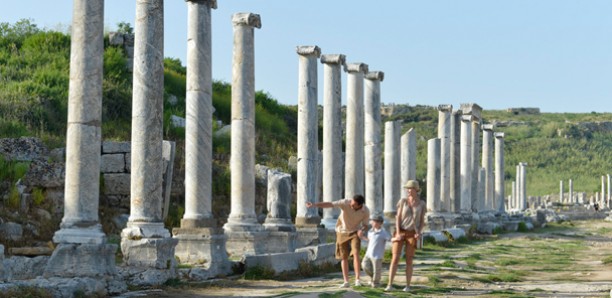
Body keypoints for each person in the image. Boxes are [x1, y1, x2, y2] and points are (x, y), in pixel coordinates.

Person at [306, 194, 370, 288]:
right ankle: (346, 281)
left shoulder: (366, 211)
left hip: (355, 232)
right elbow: (330, 204)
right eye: (351, 204)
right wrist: (314, 205)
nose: (351, 206)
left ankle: (357, 280)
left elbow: (365, 225)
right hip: (342, 231)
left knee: (356, 253)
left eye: (353, 205)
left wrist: (362, 230)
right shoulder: (345, 202)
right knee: (343, 257)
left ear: (360, 205)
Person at [386, 180, 426, 292]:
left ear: (416, 190)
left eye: (410, 188)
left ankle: (408, 286)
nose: (408, 190)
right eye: (407, 188)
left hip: (412, 233)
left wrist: (419, 232)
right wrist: (398, 232)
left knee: (409, 260)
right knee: (395, 258)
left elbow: (422, 221)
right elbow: (397, 218)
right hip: (401, 231)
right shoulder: (403, 201)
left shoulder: (422, 204)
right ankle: (389, 284)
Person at [360, 215, 391, 288]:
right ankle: (373, 278)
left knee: (377, 270)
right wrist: (362, 237)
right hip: (368, 253)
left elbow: (389, 239)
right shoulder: (370, 231)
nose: (373, 223)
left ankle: (376, 283)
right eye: (373, 221)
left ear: (380, 223)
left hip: (377, 254)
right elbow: (369, 240)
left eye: (375, 221)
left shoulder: (383, 232)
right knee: (364, 265)